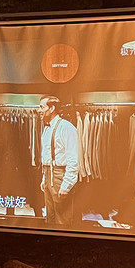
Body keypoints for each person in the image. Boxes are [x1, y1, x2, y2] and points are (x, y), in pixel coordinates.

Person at [39, 95, 80, 226]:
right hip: (49, 175)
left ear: (52, 108)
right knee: (50, 217)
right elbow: (46, 156)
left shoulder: (67, 128)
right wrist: (44, 178)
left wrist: (66, 184)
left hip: (59, 176)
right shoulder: (47, 128)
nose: (39, 110)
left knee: (62, 219)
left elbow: (73, 159)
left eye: (41, 107)